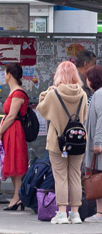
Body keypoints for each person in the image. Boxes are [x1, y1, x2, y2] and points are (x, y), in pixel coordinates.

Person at [36, 60, 89, 224]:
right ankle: (75, 214)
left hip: (58, 143)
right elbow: (84, 116)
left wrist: (46, 91)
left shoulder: (54, 94)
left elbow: (42, 108)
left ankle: (61, 213)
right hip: (78, 141)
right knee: (75, 176)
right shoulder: (82, 94)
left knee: (60, 177)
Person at [0, 63, 31, 210]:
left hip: (14, 130)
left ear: (9, 74)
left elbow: (11, 116)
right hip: (11, 130)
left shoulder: (18, 93)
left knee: (17, 163)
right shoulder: (14, 92)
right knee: (13, 163)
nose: (4, 76)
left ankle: (17, 196)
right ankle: (18, 196)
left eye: (5, 73)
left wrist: (0, 131)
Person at [84, 66, 102, 223]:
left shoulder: (99, 95)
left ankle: (100, 213)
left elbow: (101, 118)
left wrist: (97, 142)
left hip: (99, 146)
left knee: (98, 177)